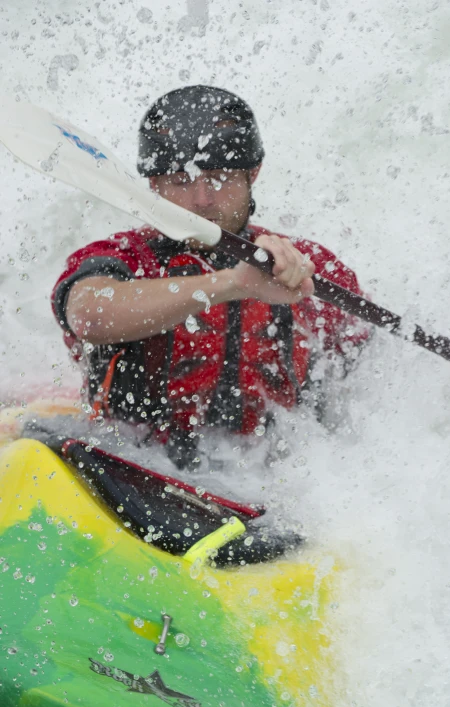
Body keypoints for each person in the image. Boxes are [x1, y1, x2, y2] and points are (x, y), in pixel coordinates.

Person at [52, 85, 370, 468]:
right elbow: (89, 314)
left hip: (272, 479)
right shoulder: (123, 258)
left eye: (219, 178)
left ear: (253, 174)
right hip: (133, 470)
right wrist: (232, 283)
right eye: (181, 182)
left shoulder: (309, 264)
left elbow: (363, 379)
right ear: (154, 185)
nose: (202, 200)